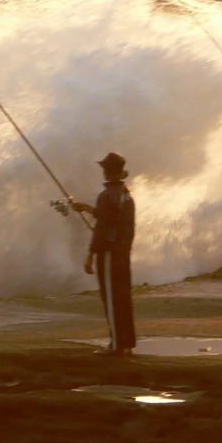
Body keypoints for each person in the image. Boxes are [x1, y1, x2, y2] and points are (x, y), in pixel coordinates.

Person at [70, 152, 137, 356]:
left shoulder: (106, 196)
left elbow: (102, 228)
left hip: (109, 253)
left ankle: (116, 345)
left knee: (111, 298)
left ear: (108, 171)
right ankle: (127, 343)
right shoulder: (125, 193)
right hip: (122, 252)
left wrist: (91, 255)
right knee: (123, 296)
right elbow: (111, 218)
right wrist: (88, 209)